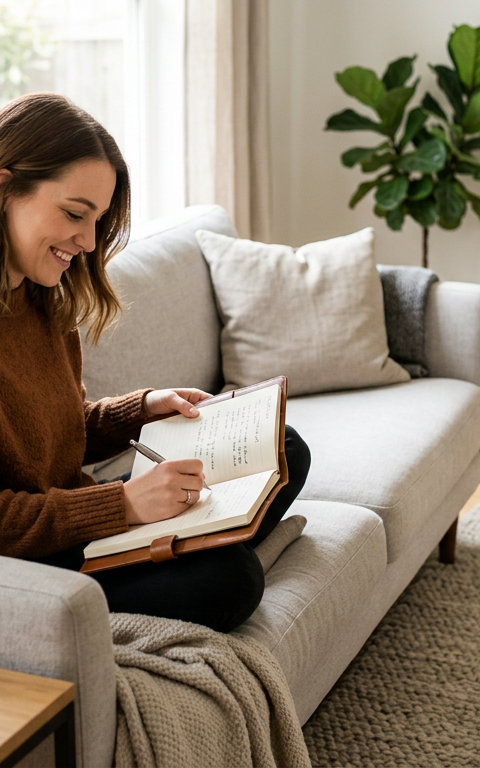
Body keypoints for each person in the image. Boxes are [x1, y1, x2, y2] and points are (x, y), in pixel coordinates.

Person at [0, 92, 311, 632]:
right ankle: (193, 550)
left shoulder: (41, 296)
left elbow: (57, 432)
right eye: (75, 214)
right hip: (28, 565)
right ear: (4, 186)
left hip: (76, 518)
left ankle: (188, 544)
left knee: (283, 447)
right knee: (231, 579)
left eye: (97, 220)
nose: (89, 242)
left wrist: (142, 410)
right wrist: (121, 506)